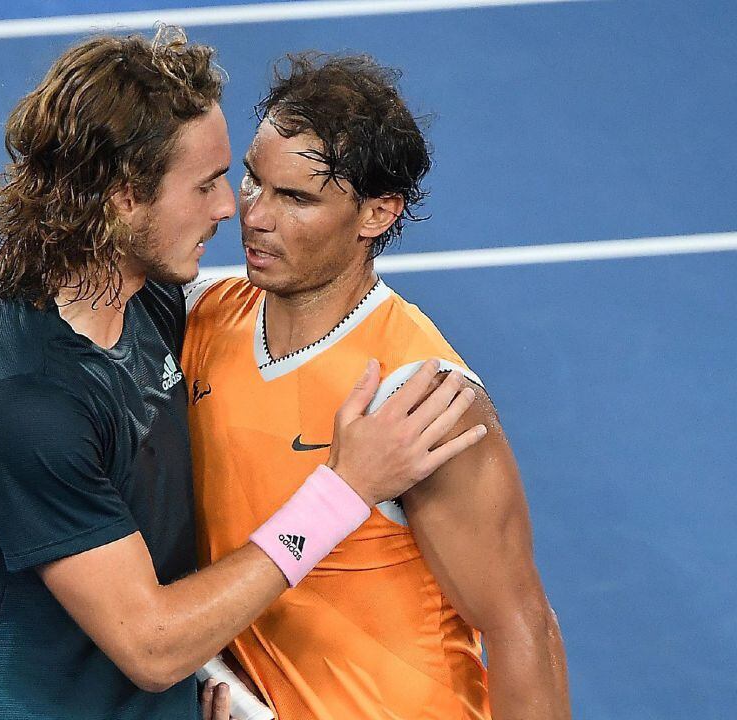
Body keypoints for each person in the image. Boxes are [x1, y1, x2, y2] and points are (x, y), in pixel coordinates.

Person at [0, 30, 487, 720]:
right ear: (125, 198)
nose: (229, 209)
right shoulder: (25, 406)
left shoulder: (150, 304)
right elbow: (152, 645)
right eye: (209, 183)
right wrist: (345, 490)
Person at [183, 54, 571, 720]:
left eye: (296, 198)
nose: (255, 216)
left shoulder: (419, 393)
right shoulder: (201, 315)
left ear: (377, 214)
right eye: (253, 182)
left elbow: (519, 625)